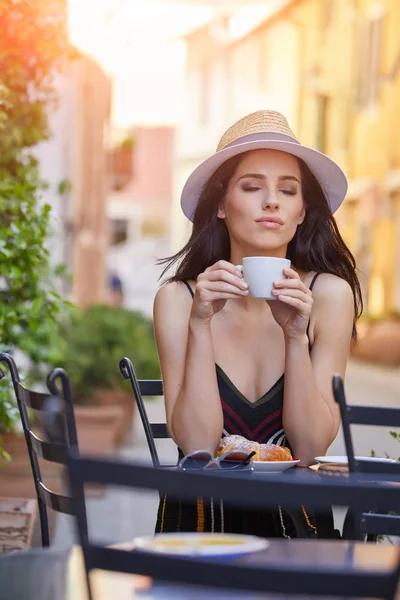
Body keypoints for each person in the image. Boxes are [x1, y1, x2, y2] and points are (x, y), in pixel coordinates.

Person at [153, 110, 362, 538]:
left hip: (298, 535)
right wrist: (200, 325)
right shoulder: (179, 299)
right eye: (252, 187)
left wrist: (293, 336)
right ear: (221, 206)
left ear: (302, 212)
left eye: (288, 191)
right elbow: (196, 446)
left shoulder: (328, 296)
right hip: (197, 532)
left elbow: (309, 448)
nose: (272, 201)